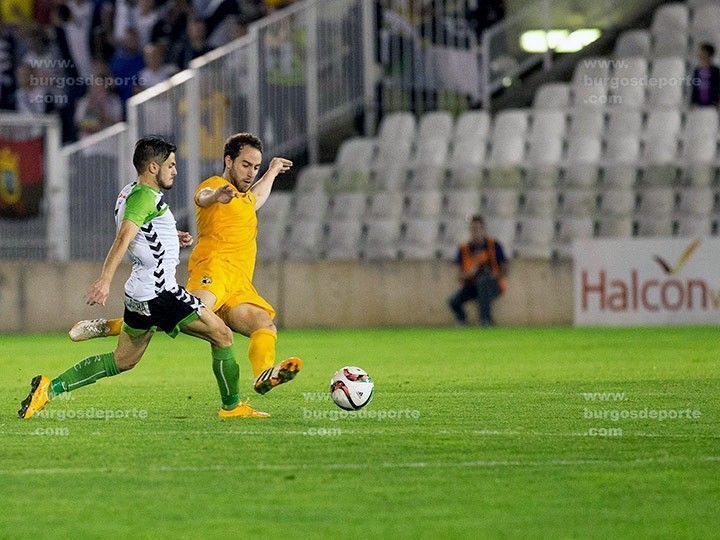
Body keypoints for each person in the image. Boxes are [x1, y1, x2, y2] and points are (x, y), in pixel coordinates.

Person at [19, 136, 268, 420]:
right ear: (153, 167)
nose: (175, 171)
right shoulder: (145, 196)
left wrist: (171, 238)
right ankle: (232, 407)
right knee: (222, 335)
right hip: (161, 292)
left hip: (139, 294)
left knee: (122, 361)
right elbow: (124, 237)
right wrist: (103, 281)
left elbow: (141, 231)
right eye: (171, 165)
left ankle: (49, 389)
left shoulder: (129, 192)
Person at [69, 132, 302, 396]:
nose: (250, 173)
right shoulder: (215, 186)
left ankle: (263, 375)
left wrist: (271, 172)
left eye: (255, 167)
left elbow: (257, 198)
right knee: (182, 315)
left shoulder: (245, 199)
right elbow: (203, 196)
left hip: (240, 285)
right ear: (229, 161)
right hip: (212, 273)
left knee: (264, 325)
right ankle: (109, 326)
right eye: (245, 165)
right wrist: (216, 195)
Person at [448, 215, 507, 327]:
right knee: (453, 301)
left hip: (493, 284)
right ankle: (462, 320)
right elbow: (459, 276)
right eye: (473, 229)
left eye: (478, 228)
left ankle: (486, 320)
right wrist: (470, 273)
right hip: (472, 285)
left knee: (483, 283)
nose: (475, 232)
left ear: (483, 229)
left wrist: (495, 274)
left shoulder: (494, 245)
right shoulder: (464, 249)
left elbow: (504, 270)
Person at [691, 43, 720, 107]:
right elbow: (694, 88)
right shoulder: (697, 71)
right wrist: (693, 102)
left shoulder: (716, 71)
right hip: (698, 105)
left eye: (702, 52)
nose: (699, 54)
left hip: (713, 105)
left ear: (708, 54)